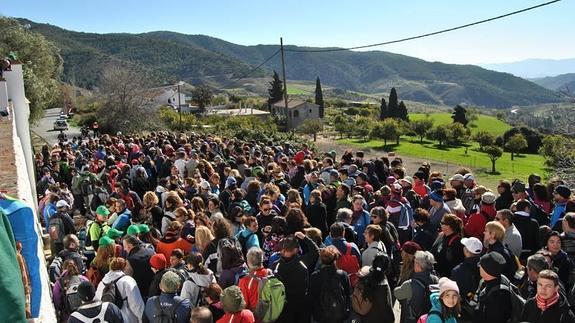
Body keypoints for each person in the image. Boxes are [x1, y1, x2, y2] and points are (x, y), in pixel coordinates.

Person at [271, 233, 319, 323]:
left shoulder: (275, 266)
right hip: (301, 307)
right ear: (296, 250)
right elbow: (315, 251)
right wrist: (304, 238)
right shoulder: (303, 262)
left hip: (282, 307)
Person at [95, 257, 145, 323]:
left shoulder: (101, 284)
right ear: (124, 268)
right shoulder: (128, 281)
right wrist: (143, 320)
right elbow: (137, 306)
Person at [394, 251, 439, 323]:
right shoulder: (436, 280)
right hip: (430, 319)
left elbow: (396, 293)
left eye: (415, 262)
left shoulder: (409, 284)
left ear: (418, 265)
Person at [310, 246, 351, 323]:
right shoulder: (343, 274)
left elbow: (313, 297)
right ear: (335, 259)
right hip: (339, 315)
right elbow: (348, 295)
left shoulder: (315, 276)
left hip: (321, 316)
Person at [351, 253, 395, 323]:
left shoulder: (364, 277)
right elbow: (386, 309)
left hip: (364, 318)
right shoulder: (383, 285)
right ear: (387, 268)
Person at [472, 252, 512, 323]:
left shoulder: (497, 298)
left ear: (486, 271)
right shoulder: (502, 278)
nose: (479, 267)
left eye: (480, 265)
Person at [237, 247, 272, 312]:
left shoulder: (244, 281)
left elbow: (244, 304)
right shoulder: (270, 274)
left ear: (248, 261)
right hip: (273, 312)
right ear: (262, 259)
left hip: (256, 317)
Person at [123, 235, 156, 300]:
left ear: (129, 246)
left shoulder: (130, 260)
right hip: (154, 288)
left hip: (141, 293)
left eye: (125, 247)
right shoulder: (151, 251)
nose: (124, 249)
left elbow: (128, 280)